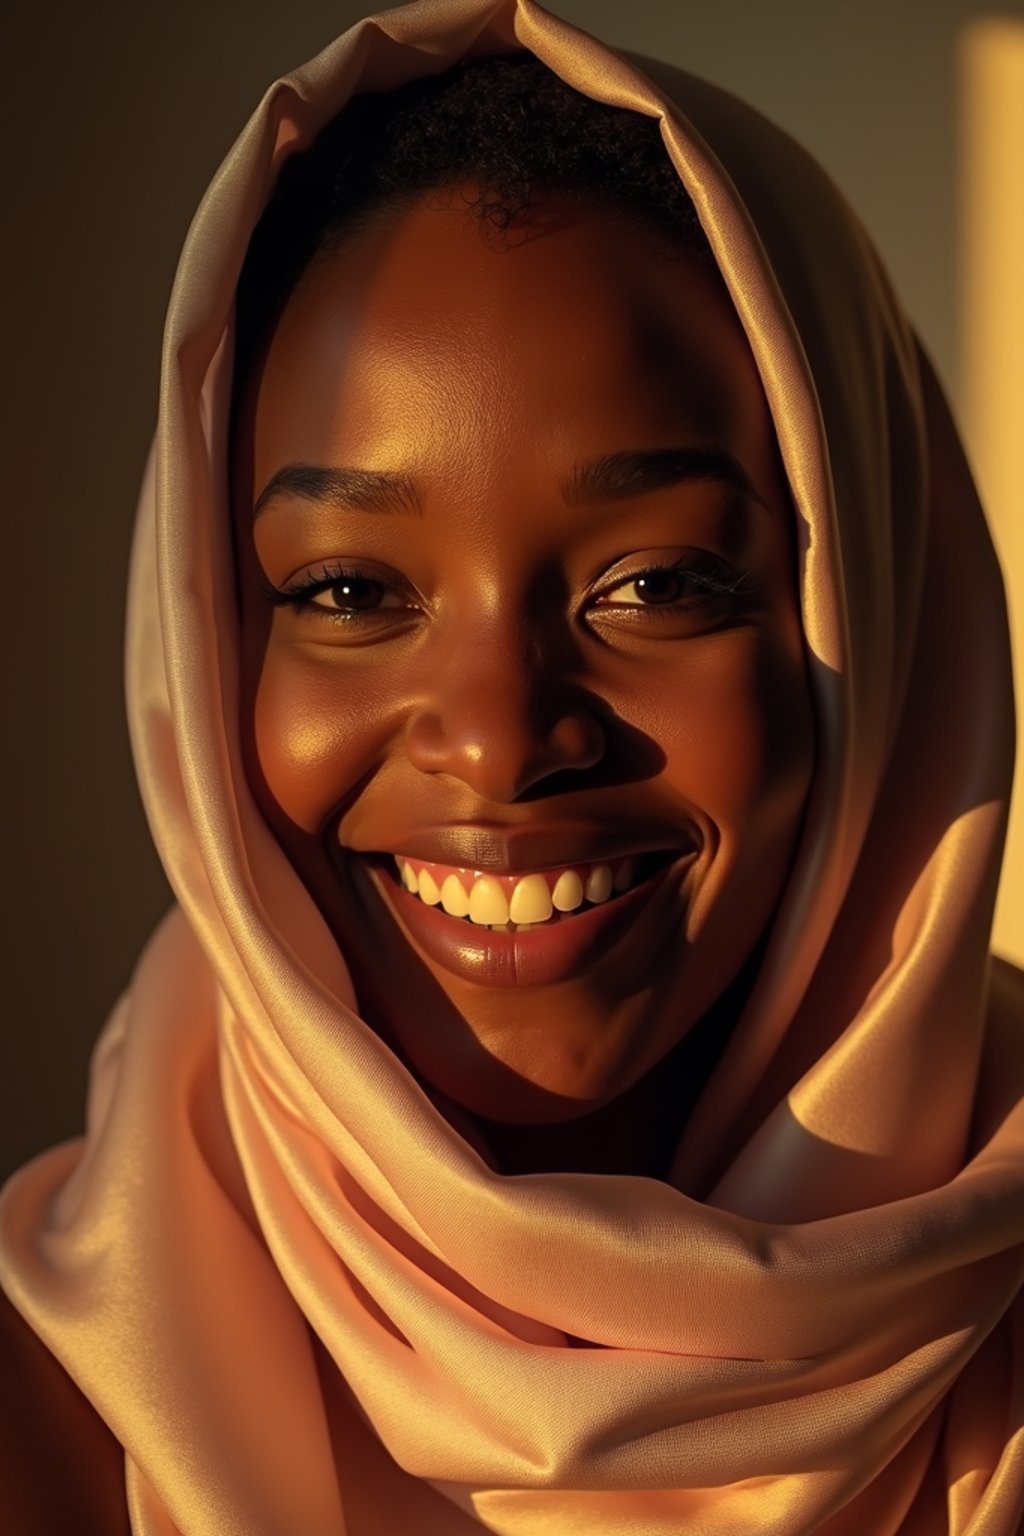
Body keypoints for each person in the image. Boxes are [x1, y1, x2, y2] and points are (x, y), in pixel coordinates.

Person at [2, 0, 1022, 1530]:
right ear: (208, 651)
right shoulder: (48, 1412)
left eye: (657, 581)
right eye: (349, 592)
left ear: (883, 627)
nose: (493, 735)